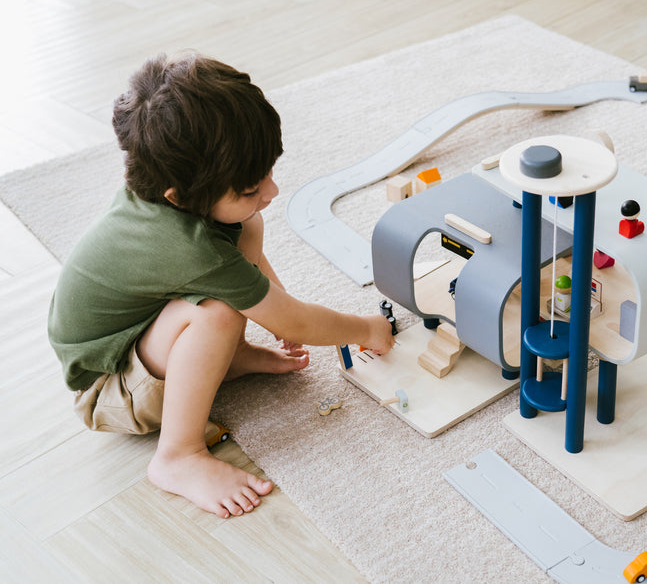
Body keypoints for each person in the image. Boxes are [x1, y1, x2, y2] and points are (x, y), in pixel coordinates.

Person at [47, 53, 394, 519]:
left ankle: (228, 359)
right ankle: (178, 455)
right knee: (218, 311)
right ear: (180, 196)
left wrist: (277, 312)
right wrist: (365, 329)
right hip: (108, 386)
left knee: (245, 228)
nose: (271, 192)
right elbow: (298, 320)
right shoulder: (193, 250)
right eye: (250, 187)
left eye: (268, 173)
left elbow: (270, 295)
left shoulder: (162, 183)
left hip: (134, 335)